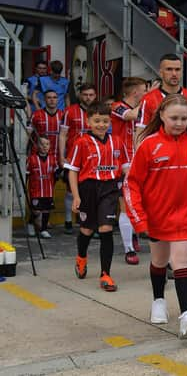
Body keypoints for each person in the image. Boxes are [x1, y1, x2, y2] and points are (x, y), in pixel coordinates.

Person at [124, 94, 187, 338]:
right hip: (157, 217)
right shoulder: (148, 145)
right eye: (174, 117)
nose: (179, 122)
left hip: (186, 216)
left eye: (184, 118)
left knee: (181, 261)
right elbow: (131, 184)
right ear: (161, 115)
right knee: (160, 262)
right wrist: (139, 219)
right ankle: (158, 300)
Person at [66, 102, 130, 292]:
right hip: (88, 188)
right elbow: (72, 171)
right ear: (88, 121)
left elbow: (126, 166)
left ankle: (105, 274)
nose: (101, 125)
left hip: (109, 188)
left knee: (106, 228)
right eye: (97, 121)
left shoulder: (117, 141)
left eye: (104, 121)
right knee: (87, 229)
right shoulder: (81, 142)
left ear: (110, 121)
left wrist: (130, 184)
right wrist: (76, 196)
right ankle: (81, 257)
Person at [135, 54, 187, 162]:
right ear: (161, 72)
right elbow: (141, 132)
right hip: (159, 155)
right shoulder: (148, 99)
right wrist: (139, 158)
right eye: (169, 69)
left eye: (177, 69)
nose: (174, 74)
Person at [111, 77, 147, 265]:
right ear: (135, 92)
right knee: (125, 203)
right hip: (123, 162)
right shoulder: (117, 106)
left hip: (143, 161)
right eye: (145, 90)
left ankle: (134, 234)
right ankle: (129, 249)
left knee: (143, 203)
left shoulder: (144, 108)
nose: (147, 93)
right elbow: (129, 116)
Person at [59, 84, 98, 235]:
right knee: (71, 190)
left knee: (92, 191)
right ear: (80, 95)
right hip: (73, 156)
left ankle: (91, 224)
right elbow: (62, 134)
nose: (88, 97)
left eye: (91, 95)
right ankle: (69, 220)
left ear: (95, 96)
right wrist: (61, 156)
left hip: (94, 157)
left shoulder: (98, 111)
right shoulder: (70, 111)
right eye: (85, 94)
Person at [26, 137, 57, 239]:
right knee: (36, 210)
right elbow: (26, 174)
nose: (44, 146)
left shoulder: (53, 159)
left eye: (47, 144)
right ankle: (30, 224)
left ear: (50, 146)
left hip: (48, 190)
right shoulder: (31, 159)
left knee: (46, 210)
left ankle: (44, 229)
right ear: (37, 145)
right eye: (42, 144)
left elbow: (56, 173)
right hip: (35, 190)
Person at [30, 90, 63, 158]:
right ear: (44, 100)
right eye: (49, 97)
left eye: (54, 97)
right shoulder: (36, 115)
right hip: (39, 155)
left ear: (57, 100)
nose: (52, 100)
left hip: (58, 155)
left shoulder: (63, 115)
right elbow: (28, 135)